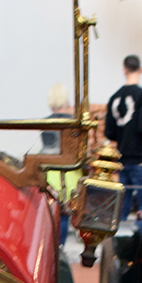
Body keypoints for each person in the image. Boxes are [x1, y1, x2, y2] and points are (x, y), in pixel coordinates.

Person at [104, 55, 142, 218]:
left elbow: (109, 132)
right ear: (141, 69)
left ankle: (119, 238)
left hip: (121, 157)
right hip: (139, 157)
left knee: (122, 205)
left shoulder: (114, 97)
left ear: (124, 70)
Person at [42, 83, 78, 244]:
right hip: (70, 171)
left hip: (50, 170)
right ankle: (61, 248)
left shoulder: (44, 122)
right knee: (65, 211)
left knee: (51, 211)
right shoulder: (73, 122)